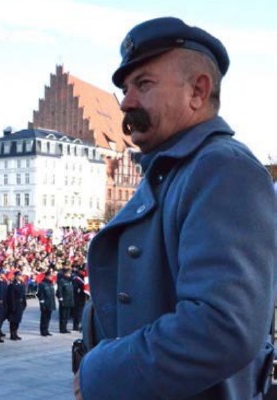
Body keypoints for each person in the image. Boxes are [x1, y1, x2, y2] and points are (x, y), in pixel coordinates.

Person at [74, 17, 277, 400]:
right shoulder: (172, 170)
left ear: (198, 91)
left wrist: (101, 371)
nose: (127, 102)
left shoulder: (222, 169)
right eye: (125, 88)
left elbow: (221, 326)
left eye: (144, 84)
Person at [6, 270, 26, 341]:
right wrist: (13, 306)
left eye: (20, 276)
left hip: (20, 304)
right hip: (15, 303)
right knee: (13, 320)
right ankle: (12, 334)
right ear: (15, 277)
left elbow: (23, 295)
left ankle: (16, 333)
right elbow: (11, 297)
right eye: (18, 276)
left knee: (18, 320)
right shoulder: (12, 285)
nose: (20, 277)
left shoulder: (22, 284)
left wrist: (24, 303)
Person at [36, 269, 55, 337]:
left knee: (48, 317)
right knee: (44, 318)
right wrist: (42, 303)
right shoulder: (42, 284)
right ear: (46, 276)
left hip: (50, 303)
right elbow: (40, 294)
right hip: (45, 303)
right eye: (50, 276)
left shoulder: (51, 283)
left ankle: (46, 330)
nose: (51, 277)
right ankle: (43, 330)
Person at [56, 268, 74, 333]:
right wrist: (60, 299)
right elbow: (59, 291)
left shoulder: (69, 281)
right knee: (63, 316)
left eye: (70, 273)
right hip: (64, 300)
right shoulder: (62, 281)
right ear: (65, 274)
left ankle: (65, 328)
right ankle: (62, 329)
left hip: (69, 300)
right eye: (69, 273)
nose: (70, 275)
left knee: (67, 316)